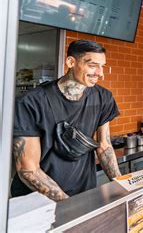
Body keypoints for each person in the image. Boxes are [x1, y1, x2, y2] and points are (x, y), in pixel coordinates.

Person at [11, 39, 121, 201]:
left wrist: (122, 185)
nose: (100, 73)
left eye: (102, 66)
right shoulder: (30, 102)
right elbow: (29, 170)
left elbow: (104, 146)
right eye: (92, 65)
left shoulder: (103, 97)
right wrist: (68, 206)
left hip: (84, 194)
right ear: (71, 62)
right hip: (37, 203)